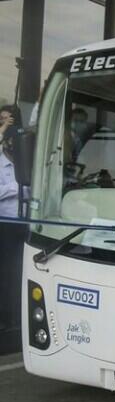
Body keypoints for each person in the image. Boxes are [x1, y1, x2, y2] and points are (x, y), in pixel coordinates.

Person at [0, 105, 25, 344]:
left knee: (20, 271)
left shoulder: (23, 162)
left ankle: (17, 316)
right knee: (5, 272)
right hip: (4, 224)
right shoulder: (0, 162)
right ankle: (6, 318)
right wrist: (13, 189)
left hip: (24, 222)